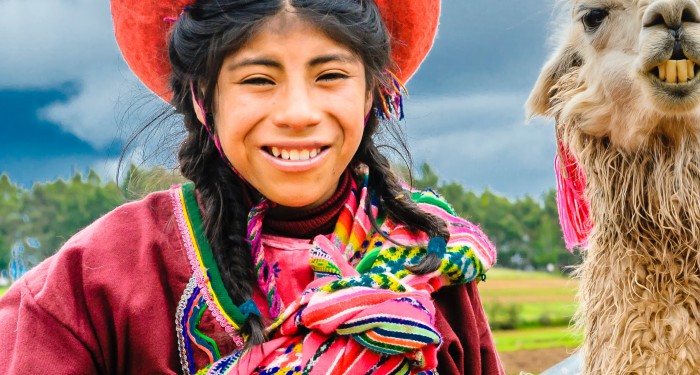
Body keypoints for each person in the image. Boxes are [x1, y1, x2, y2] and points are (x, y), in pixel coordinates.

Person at [0, 0, 504, 373]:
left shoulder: (429, 258)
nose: (298, 114)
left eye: (329, 75)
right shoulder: (91, 285)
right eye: (258, 80)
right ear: (202, 97)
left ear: (373, 92)